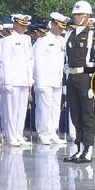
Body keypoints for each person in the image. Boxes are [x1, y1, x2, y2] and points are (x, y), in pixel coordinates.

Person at [63, 1, 95, 163]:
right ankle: (79, 147)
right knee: (75, 114)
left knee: (87, 114)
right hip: (72, 76)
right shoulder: (69, 34)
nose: (76, 17)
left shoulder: (92, 35)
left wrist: (93, 84)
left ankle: (88, 148)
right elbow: (66, 60)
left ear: (87, 16)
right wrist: (65, 82)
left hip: (85, 77)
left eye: (79, 15)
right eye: (75, 15)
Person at [0, 14, 35, 146]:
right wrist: (7, 81)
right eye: (21, 25)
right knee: (11, 110)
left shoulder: (27, 39)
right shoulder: (8, 40)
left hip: (24, 79)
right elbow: (5, 62)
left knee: (21, 110)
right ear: (15, 24)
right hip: (13, 80)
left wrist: (30, 80)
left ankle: (19, 134)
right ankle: (11, 135)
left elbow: (30, 61)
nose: (24, 27)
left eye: (25, 25)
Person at [32, 17, 67, 145]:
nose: (61, 29)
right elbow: (38, 62)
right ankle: (43, 132)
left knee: (55, 107)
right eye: (59, 26)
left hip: (57, 79)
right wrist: (39, 81)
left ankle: (52, 132)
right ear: (52, 25)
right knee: (44, 107)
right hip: (45, 79)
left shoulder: (62, 41)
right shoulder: (42, 41)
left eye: (63, 27)